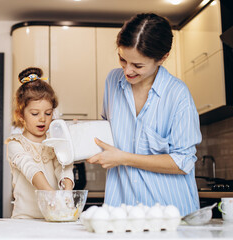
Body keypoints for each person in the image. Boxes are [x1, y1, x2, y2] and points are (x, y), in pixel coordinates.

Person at [87, 13, 202, 216]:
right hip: (121, 213)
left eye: (138, 65)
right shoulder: (113, 81)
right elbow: (107, 131)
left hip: (170, 213)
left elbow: (182, 162)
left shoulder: (177, 94)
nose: (127, 70)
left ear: (163, 57)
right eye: (122, 59)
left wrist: (124, 158)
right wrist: (81, 134)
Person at [6, 67, 74, 219]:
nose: (42, 119)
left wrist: (67, 191)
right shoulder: (15, 144)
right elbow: (31, 169)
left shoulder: (54, 142)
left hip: (53, 216)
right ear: (20, 115)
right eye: (35, 114)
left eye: (48, 113)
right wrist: (52, 195)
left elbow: (64, 167)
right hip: (24, 220)